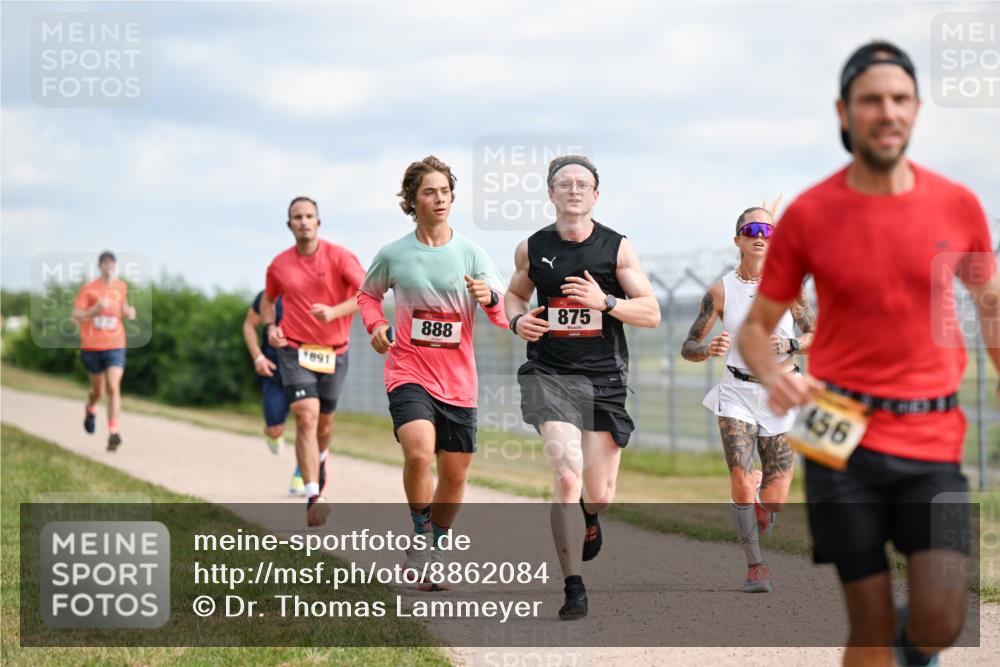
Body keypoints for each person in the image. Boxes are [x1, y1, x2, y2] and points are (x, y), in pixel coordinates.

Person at [738, 41, 999, 666]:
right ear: (845, 111)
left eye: (901, 98)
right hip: (839, 434)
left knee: (941, 618)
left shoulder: (956, 204)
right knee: (871, 622)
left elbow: (990, 306)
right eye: (872, 100)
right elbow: (756, 328)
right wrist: (775, 371)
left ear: (914, 110)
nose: (888, 111)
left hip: (932, 435)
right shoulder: (811, 214)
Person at [504, 155, 661, 620]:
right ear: (550, 194)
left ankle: (590, 516)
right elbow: (515, 293)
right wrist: (518, 320)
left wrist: (606, 301)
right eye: (564, 184)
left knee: (599, 493)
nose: (573, 190)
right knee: (567, 474)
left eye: (583, 184)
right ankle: (574, 586)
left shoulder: (617, 249)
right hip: (550, 374)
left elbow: (650, 312)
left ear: (596, 195)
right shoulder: (533, 247)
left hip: (604, 378)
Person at [358, 156, 509, 591]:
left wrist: (490, 296)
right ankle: (421, 532)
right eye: (430, 191)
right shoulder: (394, 254)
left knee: (456, 474)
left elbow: (502, 316)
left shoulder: (472, 254)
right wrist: (378, 326)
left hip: (459, 381)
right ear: (413, 199)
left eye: (445, 191)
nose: (439, 199)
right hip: (407, 370)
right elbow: (367, 297)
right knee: (419, 452)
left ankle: (432, 548)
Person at [681, 200, 815, 593]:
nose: (761, 238)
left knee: (774, 501)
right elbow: (688, 344)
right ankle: (756, 566)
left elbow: (815, 335)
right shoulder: (719, 291)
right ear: (738, 240)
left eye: (768, 232)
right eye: (752, 232)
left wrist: (790, 342)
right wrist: (706, 350)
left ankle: (762, 501)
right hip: (736, 391)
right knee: (739, 479)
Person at [261, 196, 365, 526]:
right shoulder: (279, 265)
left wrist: (334, 312)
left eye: (309, 216)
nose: (304, 221)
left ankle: (320, 458)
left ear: (318, 222)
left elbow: (367, 294)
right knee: (306, 416)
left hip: (335, 351)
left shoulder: (340, 257)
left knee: (325, 425)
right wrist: (270, 328)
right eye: (297, 217)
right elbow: (268, 301)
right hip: (294, 349)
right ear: (289, 224)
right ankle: (312, 495)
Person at [72, 250, 136, 451]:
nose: (109, 267)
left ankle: (113, 432)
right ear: (100, 266)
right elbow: (75, 316)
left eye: (112, 264)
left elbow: (121, 308)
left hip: (115, 344)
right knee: (98, 391)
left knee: (114, 386)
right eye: (105, 264)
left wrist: (128, 312)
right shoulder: (89, 289)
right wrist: (95, 309)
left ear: (115, 266)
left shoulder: (121, 286)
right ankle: (91, 408)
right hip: (92, 346)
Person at [242, 290, 304, 495]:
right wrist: (258, 357)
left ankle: (302, 474)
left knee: (308, 421)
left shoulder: (316, 293)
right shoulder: (268, 297)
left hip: (306, 369)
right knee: (275, 428)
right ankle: (272, 432)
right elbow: (249, 325)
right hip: (274, 370)